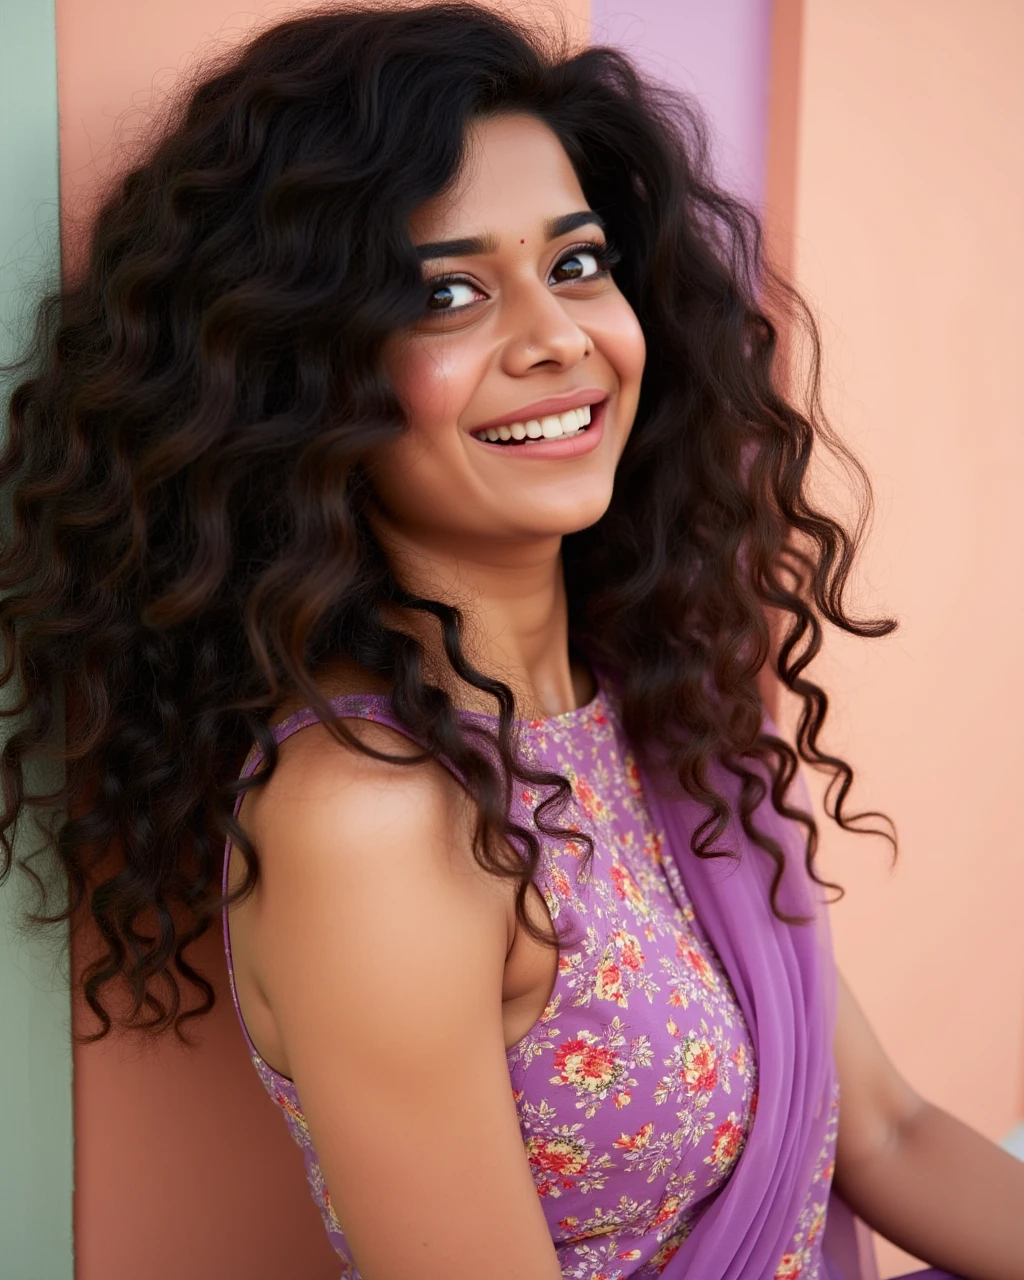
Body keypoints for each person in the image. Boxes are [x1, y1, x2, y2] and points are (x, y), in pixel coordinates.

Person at [0, 4, 1019, 1278]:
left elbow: (887, 1128)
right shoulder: (377, 816)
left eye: (577, 264)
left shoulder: (656, 701)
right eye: (448, 292)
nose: (555, 338)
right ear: (300, 373)